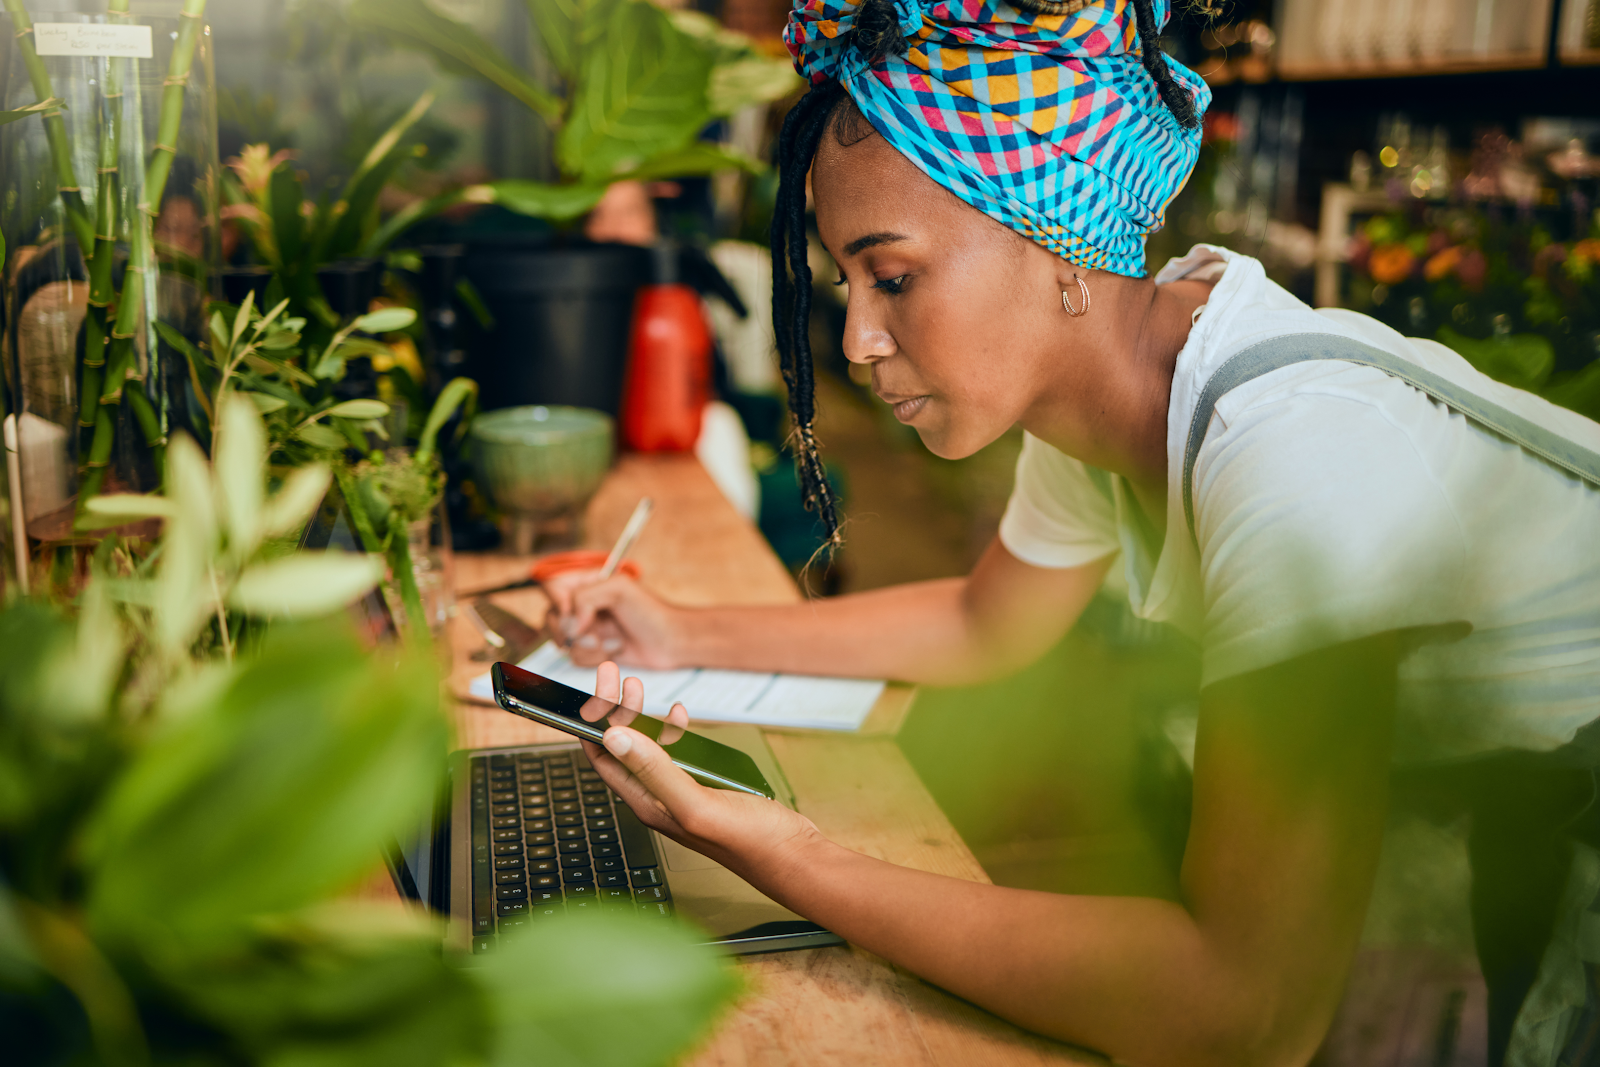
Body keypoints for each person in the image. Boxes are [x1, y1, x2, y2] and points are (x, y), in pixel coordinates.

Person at [545, 1, 1600, 1062]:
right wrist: (673, 628)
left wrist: (797, 857)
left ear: (1051, 237)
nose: (860, 339)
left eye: (895, 276)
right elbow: (982, 621)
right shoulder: (1104, 390)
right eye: (847, 282)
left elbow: (1245, 1008)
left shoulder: (1294, 449)